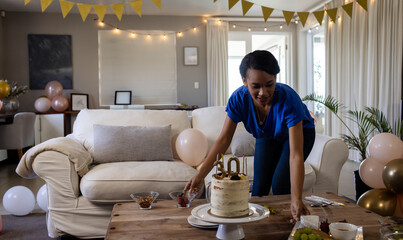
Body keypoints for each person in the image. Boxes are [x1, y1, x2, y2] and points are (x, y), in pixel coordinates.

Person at [184, 50, 316, 222]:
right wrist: (200, 175)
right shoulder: (238, 99)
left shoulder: (288, 99)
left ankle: (288, 223)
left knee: (279, 183)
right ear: (244, 81)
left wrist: (296, 198)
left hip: (301, 134)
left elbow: (295, 155)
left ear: (276, 78)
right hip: (267, 135)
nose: (263, 92)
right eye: (256, 86)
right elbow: (224, 140)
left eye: (269, 84)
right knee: (258, 189)